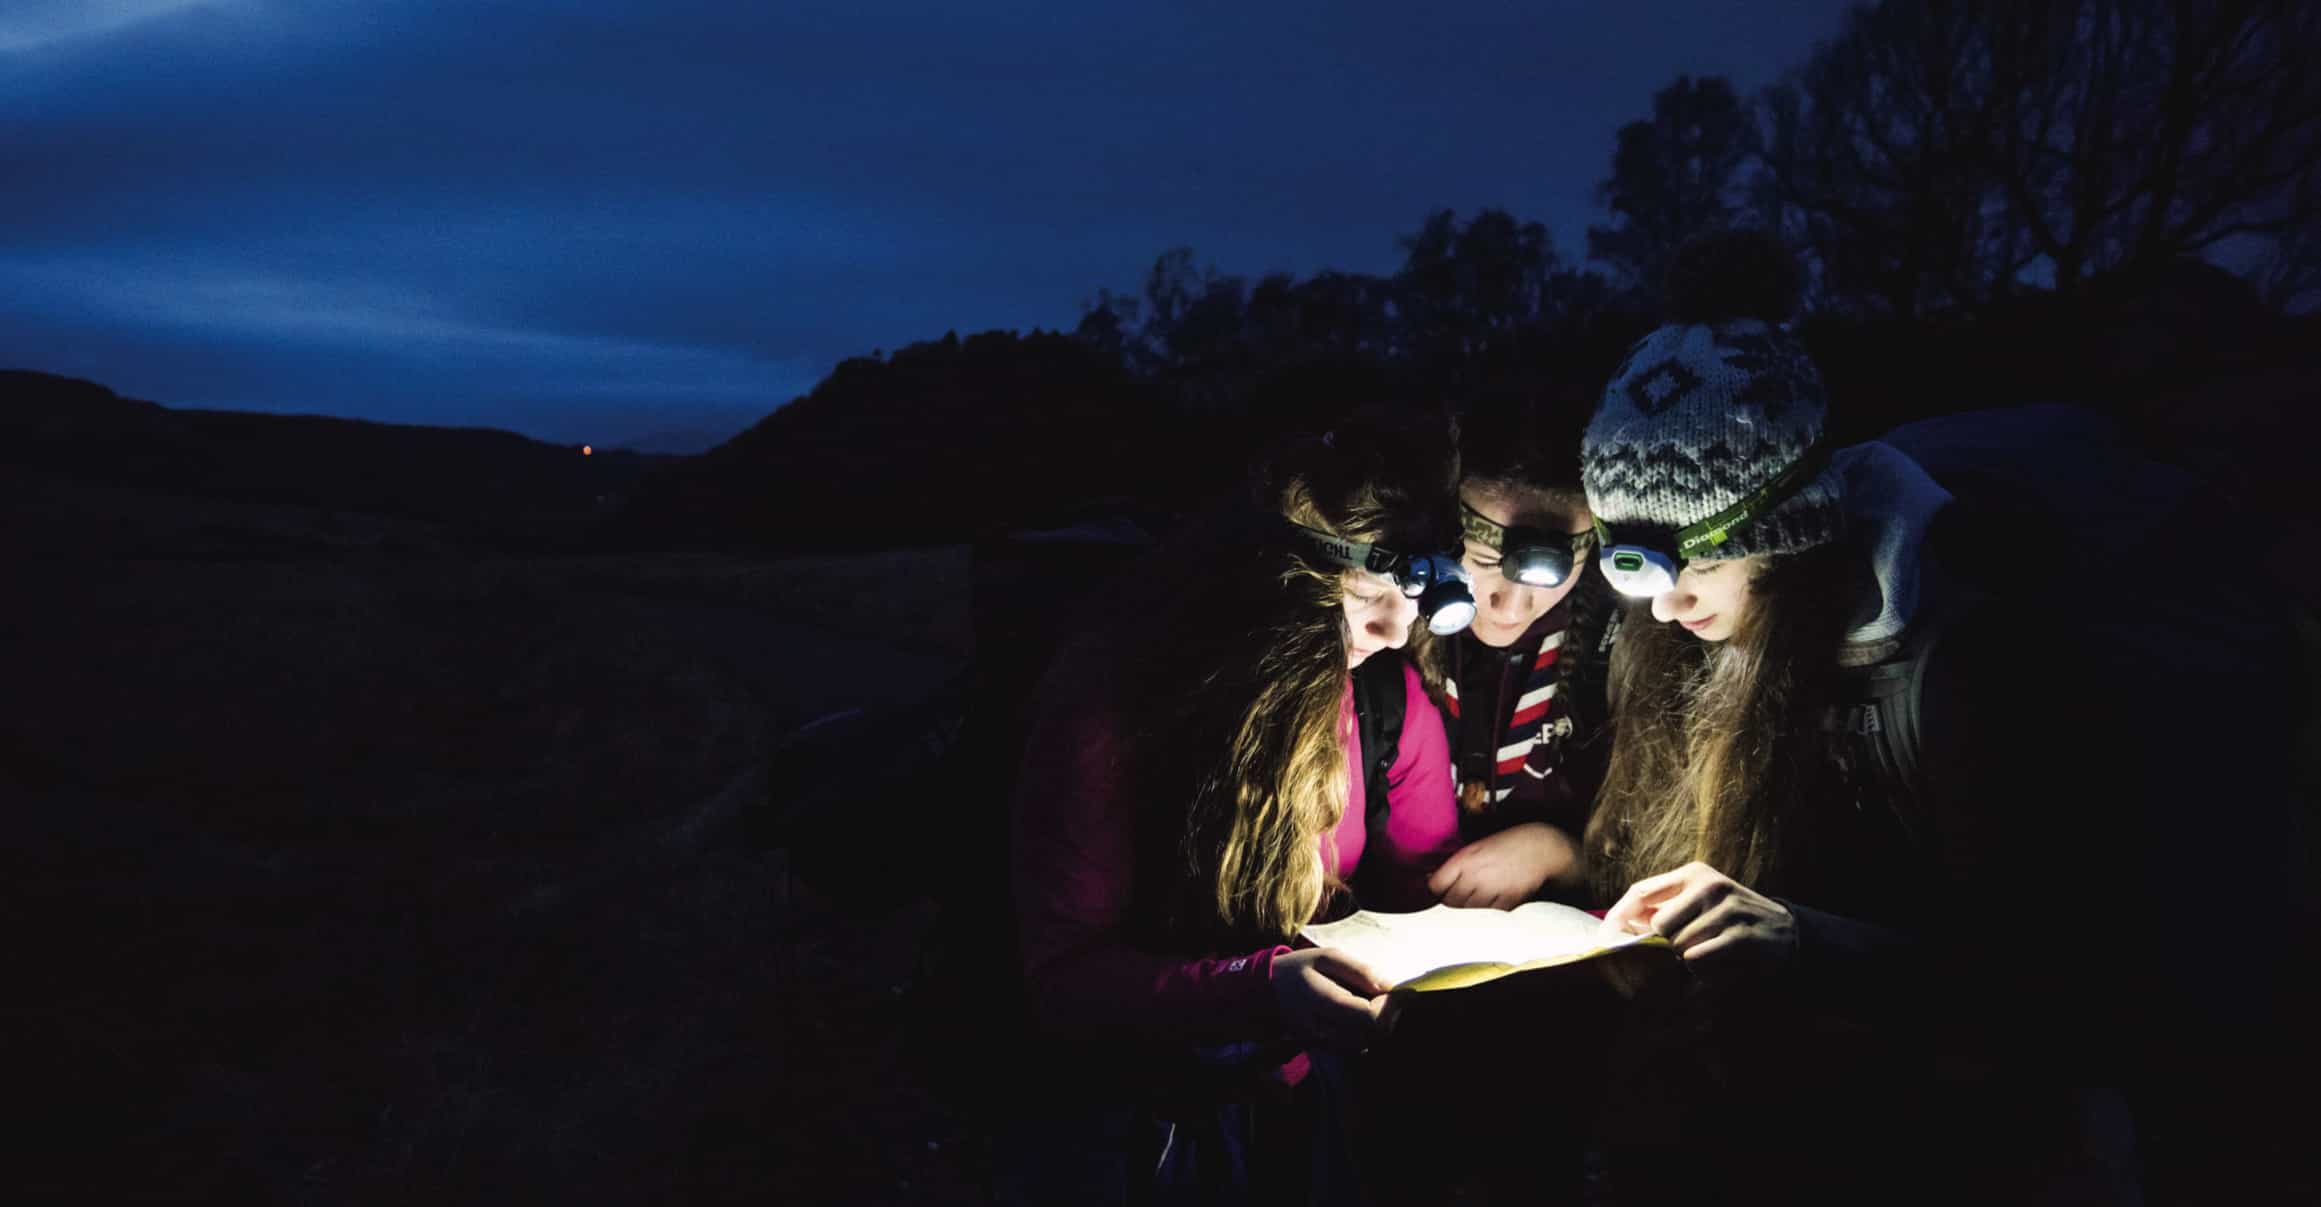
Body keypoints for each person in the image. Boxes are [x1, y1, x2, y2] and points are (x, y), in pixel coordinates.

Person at [1570, 229, 2306, 1205]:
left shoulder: (1968, 665)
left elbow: (2055, 988)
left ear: (1784, 532)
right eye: (1635, 577)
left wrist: (1805, 943)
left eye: (1692, 567)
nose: (1665, 606)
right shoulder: (1694, 639)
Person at [1003, 409, 1468, 1204]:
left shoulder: (1390, 702)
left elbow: (1427, 890)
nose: (1396, 630)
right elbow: (1065, 980)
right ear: (1278, 585)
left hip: (1298, 1103)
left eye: (1413, 592)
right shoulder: (1115, 708)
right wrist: (1261, 987)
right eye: (1364, 596)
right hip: (1137, 1123)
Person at [1422, 396, 1622, 911]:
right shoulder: (1384, 627)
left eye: (1551, 575)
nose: (1510, 606)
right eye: (1486, 561)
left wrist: (1559, 854)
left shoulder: (1622, 645)